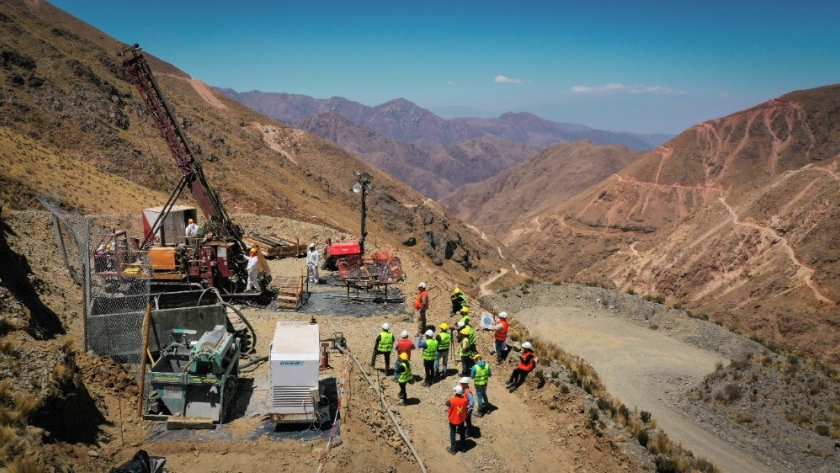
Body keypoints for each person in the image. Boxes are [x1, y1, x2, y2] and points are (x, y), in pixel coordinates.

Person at [446, 385, 468, 454]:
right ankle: (463, 447)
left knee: (453, 433)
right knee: (462, 432)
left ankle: (453, 449)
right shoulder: (464, 399)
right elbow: (466, 404)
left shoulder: (452, 400)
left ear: (455, 392)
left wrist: (453, 397)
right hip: (461, 419)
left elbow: (446, 403)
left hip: (453, 419)